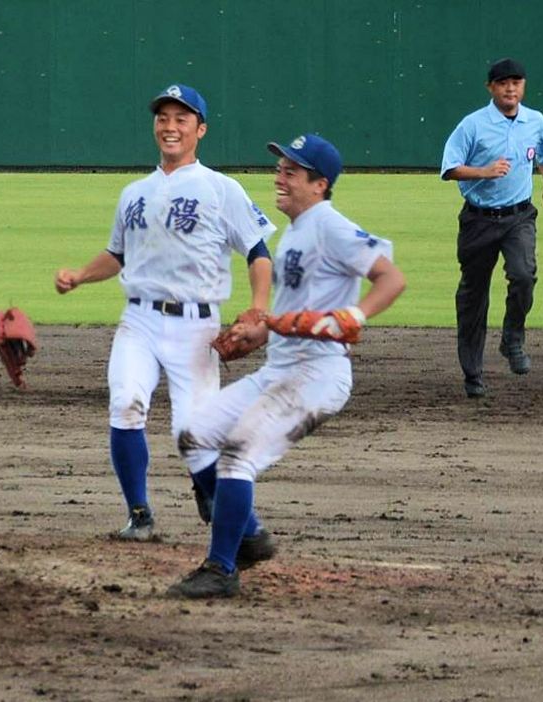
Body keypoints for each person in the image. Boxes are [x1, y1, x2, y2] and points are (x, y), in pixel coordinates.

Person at [169, 134, 406, 598]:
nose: (279, 177)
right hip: (279, 370)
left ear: (319, 185)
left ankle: (221, 568)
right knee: (194, 436)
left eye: (291, 172)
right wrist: (260, 332)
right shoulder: (297, 230)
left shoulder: (329, 225)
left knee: (238, 456)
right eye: (280, 168)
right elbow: (297, 311)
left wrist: (354, 316)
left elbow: (391, 278)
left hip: (315, 376)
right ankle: (249, 538)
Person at [55, 84, 275, 543]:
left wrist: (258, 309)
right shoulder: (134, 192)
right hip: (139, 321)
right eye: (163, 118)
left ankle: (238, 520)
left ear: (201, 130)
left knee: (193, 433)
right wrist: (79, 275)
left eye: (181, 119)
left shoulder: (221, 188)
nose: (170, 127)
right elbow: (117, 254)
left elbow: (257, 251)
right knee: (125, 403)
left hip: (197, 326)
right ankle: (140, 515)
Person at [441, 58, 543, 399]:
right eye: (503, 82)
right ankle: (473, 373)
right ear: (490, 87)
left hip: (519, 216)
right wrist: (484, 172)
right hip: (478, 219)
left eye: (516, 81)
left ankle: (512, 338)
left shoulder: (535, 120)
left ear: (523, 86)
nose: (510, 88)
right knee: (473, 295)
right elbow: (449, 168)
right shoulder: (472, 125)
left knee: (523, 274)